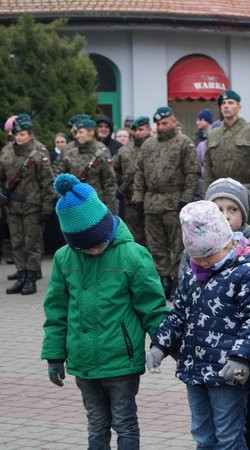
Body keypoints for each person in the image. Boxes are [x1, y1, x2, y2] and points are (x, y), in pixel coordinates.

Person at [42, 173, 169, 450]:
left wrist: (166, 344)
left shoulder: (133, 255)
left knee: (124, 421)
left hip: (120, 360)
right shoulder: (65, 259)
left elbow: (153, 307)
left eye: (98, 243)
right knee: (96, 422)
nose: (94, 251)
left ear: (107, 227)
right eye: (84, 248)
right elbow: (56, 311)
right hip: (83, 360)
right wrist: (54, 355)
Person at [147, 200, 250, 449]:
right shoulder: (192, 273)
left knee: (228, 434)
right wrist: (160, 345)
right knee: (202, 433)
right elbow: (178, 313)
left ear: (226, 243)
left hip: (227, 372)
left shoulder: (247, 273)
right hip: (194, 368)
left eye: (208, 256)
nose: (201, 263)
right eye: (196, 257)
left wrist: (241, 359)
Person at [132, 106, 200, 301]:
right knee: (156, 246)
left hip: (174, 201)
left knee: (178, 245)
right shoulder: (148, 145)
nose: (161, 127)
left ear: (173, 121)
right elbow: (139, 173)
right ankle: (163, 279)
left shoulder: (184, 143)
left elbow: (192, 173)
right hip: (152, 202)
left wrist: (186, 199)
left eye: (165, 123)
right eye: (158, 124)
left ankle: (178, 280)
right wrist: (138, 197)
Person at [0, 116, 55, 294]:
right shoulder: (7, 152)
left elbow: (47, 183)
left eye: (23, 134)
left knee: (31, 244)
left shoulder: (38, 153)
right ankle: (21, 274)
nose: (19, 137)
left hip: (33, 206)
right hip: (13, 207)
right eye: (16, 134)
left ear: (30, 135)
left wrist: (46, 208)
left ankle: (31, 278)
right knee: (17, 243)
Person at [205, 89, 250, 221]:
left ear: (239, 107)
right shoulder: (213, 134)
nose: (226, 106)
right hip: (219, 194)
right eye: (223, 103)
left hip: (245, 193)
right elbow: (207, 167)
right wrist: (207, 196)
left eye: (230, 103)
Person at [58, 118, 117, 214]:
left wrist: (110, 209)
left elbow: (109, 182)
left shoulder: (101, 153)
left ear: (91, 132)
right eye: (77, 133)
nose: (77, 136)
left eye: (81, 132)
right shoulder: (70, 154)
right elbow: (60, 177)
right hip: (74, 205)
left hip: (96, 204)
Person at [112, 116, 149, 245]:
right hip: (131, 202)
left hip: (151, 201)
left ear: (148, 129)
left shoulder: (153, 147)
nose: (137, 133)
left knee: (154, 240)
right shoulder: (124, 150)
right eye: (134, 130)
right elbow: (113, 170)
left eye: (141, 129)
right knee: (134, 238)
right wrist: (121, 184)